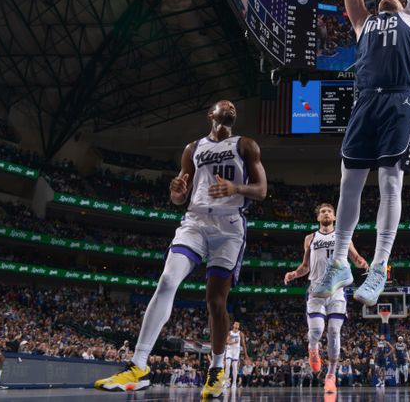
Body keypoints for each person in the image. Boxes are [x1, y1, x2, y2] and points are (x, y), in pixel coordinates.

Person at [95, 100, 267, 398]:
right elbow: (178, 197)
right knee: (167, 280)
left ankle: (216, 369)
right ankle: (138, 365)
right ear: (211, 114)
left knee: (215, 302)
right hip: (195, 222)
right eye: (222, 104)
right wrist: (176, 192)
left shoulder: (246, 145)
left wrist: (236, 188)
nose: (229, 106)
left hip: (229, 227)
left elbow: (262, 190)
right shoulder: (193, 149)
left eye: (233, 106)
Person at [312, 0, 410, 307]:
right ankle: (342, 264)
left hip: (399, 100)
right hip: (366, 102)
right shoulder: (363, 22)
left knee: (390, 182)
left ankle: (378, 267)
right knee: (349, 180)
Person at [283, 202, 368, 394]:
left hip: (337, 290)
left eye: (329, 211)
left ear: (335, 217)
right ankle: (313, 347)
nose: (326, 213)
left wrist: (363, 263)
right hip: (316, 289)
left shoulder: (343, 235)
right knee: (317, 330)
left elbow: (355, 257)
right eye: (322, 212)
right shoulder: (310, 238)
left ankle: (331, 375)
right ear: (318, 217)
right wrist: (294, 274)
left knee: (334, 331)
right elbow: (305, 266)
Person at [225, 321, 247, 389]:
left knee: (234, 367)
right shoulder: (229, 332)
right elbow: (227, 342)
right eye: (236, 324)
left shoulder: (241, 333)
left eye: (238, 324)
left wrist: (246, 354)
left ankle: (234, 383)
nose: (237, 325)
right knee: (228, 365)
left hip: (236, 352)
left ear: (239, 326)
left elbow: (243, 344)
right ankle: (226, 382)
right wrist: (234, 342)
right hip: (229, 350)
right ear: (233, 325)